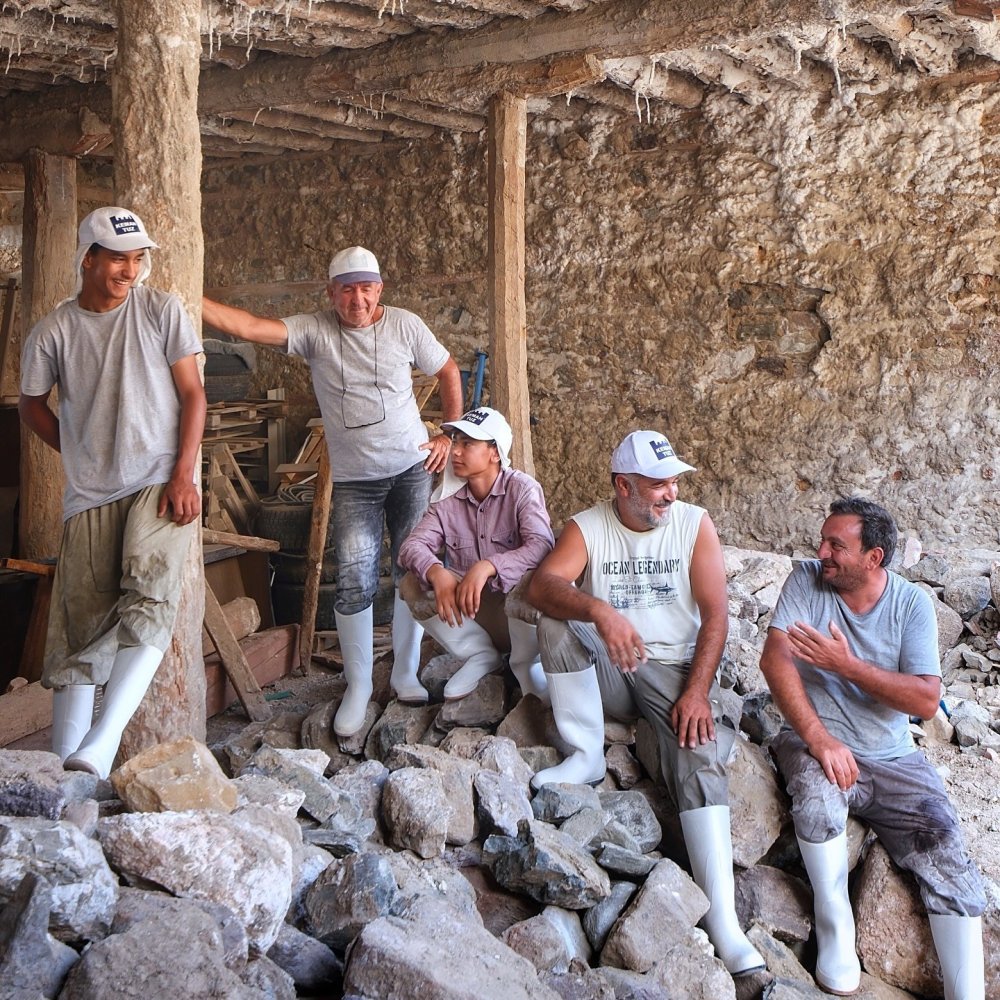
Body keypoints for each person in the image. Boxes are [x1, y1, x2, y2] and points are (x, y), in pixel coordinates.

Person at [526, 430, 765, 978]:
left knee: (696, 745)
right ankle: (585, 751)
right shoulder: (587, 526)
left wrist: (698, 690)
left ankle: (722, 919)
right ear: (623, 486)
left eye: (674, 481)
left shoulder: (693, 523)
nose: (670, 493)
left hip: (673, 665)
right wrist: (600, 612)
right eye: (658, 484)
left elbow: (717, 613)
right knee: (556, 617)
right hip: (613, 663)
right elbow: (542, 585)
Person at [202, 247, 462, 737]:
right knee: (354, 580)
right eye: (347, 289)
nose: (357, 300)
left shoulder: (405, 325)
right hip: (356, 482)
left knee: (412, 568)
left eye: (366, 289)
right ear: (331, 293)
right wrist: (187, 298)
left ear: (379, 289)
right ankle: (359, 683)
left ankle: (403, 672)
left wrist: (449, 433)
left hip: (410, 469)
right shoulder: (315, 330)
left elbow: (448, 370)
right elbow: (249, 328)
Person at [760, 497, 985, 999]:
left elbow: (927, 700)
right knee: (817, 802)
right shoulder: (806, 580)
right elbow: (775, 662)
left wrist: (847, 666)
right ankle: (835, 929)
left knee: (946, 845)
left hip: (892, 756)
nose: (822, 552)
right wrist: (820, 740)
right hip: (813, 738)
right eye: (823, 540)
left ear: (874, 558)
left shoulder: (911, 605)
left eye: (836, 545)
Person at [19, 206, 206, 779]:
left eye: (137, 257)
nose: (130, 269)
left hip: (159, 480)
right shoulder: (53, 330)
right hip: (89, 494)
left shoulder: (160, 311)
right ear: (88, 258)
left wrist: (182, 473)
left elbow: (194, 395)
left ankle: (103, 744)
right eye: (119, 257)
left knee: (150, 597)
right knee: (82, 625)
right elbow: (31, 406)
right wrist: (77, 452)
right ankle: (64, 771)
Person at [397, 406, 554, 703]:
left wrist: (488, 566)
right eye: (455, 441)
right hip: (477, 616)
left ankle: (526, 668)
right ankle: (480, 655)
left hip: (520, 619)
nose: (455, 451)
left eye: (467, 443)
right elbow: (410, 547)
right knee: (411, 584)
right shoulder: (447, 503)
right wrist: (436, 572)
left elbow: (542, 546)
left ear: (494, 452)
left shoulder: (522, 489)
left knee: (533, 579)